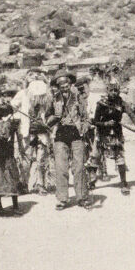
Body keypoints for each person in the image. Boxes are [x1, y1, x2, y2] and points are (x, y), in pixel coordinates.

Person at [49, 72, 90, 209]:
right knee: (61, 168)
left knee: (79, 167)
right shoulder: (54, 99)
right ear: (58, 86)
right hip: (60, 134)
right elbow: (47, 118)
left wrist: (84, 127)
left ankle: (82, 197)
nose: (64, 88)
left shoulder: (78, 97)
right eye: (61, 86)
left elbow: (85, 117)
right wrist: (53, 118)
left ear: (70, 84)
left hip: (76, 133)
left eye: (66, 85)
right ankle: (62, 199)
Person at [90, 79, 130, 193]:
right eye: (111, 90)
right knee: (95, 157)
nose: (114, 92)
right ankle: (92, 181)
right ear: (107, 90)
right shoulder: (101, 104)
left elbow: (131, 113)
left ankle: (124, 183)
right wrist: (105, 124)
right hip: (102, 135)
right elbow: (95, 121)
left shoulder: (121, 103)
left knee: (120, 158)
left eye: (116, 90)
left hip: (116, 134)